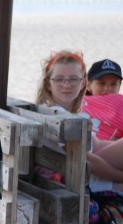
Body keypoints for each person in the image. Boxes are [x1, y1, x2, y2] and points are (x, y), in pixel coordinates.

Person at [36, 50, 123, 191]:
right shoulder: (59, 117)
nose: (66, 84)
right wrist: (120, 177)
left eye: (73, 79)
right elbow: (86, 162)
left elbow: (98, 145)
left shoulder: (65, 114)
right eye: (59, 79)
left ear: (83, 83)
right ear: (48, 84)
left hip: (81, 175)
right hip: (78, 182)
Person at [83, 58, 123, 141]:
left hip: (110, 151)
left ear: (119, 86)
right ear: (88, 84)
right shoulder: (76, 102)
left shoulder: (121, 107)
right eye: (101, 83)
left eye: (113, 84)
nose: (107, 88)